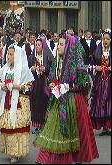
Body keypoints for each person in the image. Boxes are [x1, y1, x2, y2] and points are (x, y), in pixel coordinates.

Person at [33, 33, 99, 164]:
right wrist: (52, 83)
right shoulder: (57, 61)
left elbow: (84, 84)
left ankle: (70, 159)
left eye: (61, 44)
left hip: (73, 102)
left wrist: (68, 86)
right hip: (58, 100)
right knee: (55, 131)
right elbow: (52, 77)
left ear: (69, 46)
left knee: (74, 133)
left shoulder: (77, 63)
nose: (58, 47)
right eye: (58, 44)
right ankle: (50, 159)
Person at [0, 45, 34, 163]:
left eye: (11, 54)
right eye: (8, 54)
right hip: (7, 99)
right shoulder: (5, 68)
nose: (8, 56)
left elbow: (29, 86)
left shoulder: (23, 69)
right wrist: (2, 86)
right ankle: (10, 150)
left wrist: (16, 86)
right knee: (8, 124)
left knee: (17, 125)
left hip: (19, 101)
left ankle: (17, 152)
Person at [28, 38, 54, 134]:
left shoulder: (48, 56)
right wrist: (32, 68)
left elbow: (52, 67)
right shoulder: (32, 57)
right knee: (35, 104)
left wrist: (45, 69)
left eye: (39, 44)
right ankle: (37, 125)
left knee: (44, 103)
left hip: (44, 83)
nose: (37, 46)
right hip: (35, 84)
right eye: (36, 45)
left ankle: (45, 124)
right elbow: (28, 68)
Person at [89, 31, 111, 136]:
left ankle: (109, 126)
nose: (105, 41)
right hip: (100, 82)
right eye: (104, 39)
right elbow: (90, 66)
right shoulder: (98, 52)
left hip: (109, 81)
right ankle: (104, 127)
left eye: (107, 39)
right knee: (101, 103)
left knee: (109, 103)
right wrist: (95, 68)